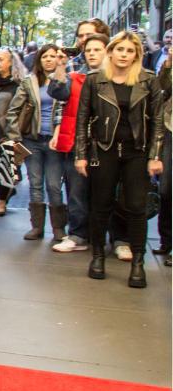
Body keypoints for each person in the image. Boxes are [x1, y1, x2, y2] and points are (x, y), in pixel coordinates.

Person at [75, 30, 165, 288]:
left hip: (137, 151)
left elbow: (157, 120)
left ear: (137, 54)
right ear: (111, 52)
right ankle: (98, 257)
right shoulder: (95, 80)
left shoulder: (148, 80)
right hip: (104, 149)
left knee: (137, 207)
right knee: (101, 204)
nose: (124, 55)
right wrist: (81, 155)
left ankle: (138, 262)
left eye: (130, 51)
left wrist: (155, 155)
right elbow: (83, 119)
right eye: (120, 49)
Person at [47, 33, 110, 252]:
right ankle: (78, 234)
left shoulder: (117, 77)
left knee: (107, 191)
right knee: (76, 191)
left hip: (108, 143)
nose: (92, 54)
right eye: (88, 50)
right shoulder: (75, 76)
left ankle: (113, 237)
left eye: (97, 49)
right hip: (78, 141)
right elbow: (57, 92)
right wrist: (60, 66)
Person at [5, 44, 68, 241]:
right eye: (44, 56)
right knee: (35, 184)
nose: (49, 60)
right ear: (39, 60)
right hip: (32, 139)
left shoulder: (66, 81)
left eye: (53, 56)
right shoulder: (29, 81)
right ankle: (37, 227)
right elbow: (13, 111)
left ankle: (58, 228)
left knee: (54, 185)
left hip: (55, 141)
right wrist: (15, 138)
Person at [0, 47, 27, 217]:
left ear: (11, 62)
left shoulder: (17, 85)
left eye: (1, 59)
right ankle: (9, 189)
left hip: (8, 132)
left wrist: (15, 134)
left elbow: (21, 111)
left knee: (5, 166)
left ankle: (1, 202)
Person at [155, 53, 172, 266]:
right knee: (166, 190)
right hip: (170, 130)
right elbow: (161, 89)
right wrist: (168, 65)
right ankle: (166, 240)